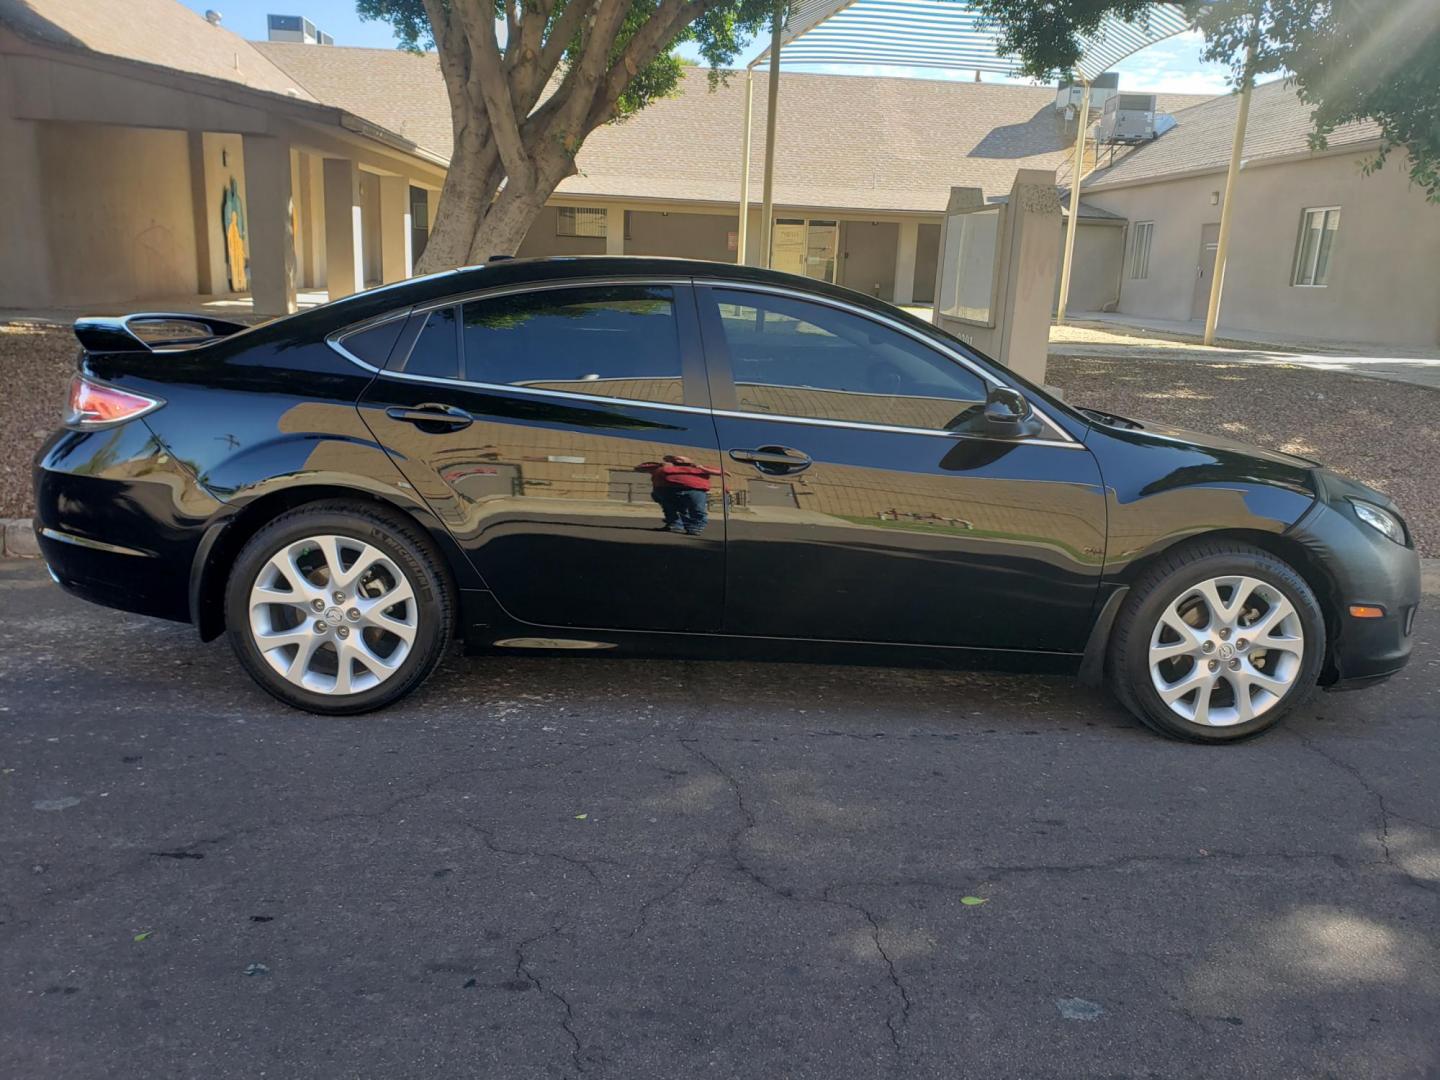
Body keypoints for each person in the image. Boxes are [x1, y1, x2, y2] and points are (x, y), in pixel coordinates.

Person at [635, 455, 722, 534]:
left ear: (690, 460)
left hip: (695, 490)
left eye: (681, 457)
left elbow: (721, 472)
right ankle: (675, 525)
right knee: (670, 508)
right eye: (675, 458)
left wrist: (703, 468)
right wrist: (661, 465)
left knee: (697, 509)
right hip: (667, 490)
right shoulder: (663, 466)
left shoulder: (699, 467)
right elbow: (639, 468)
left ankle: (695, 527)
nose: (677, 458)